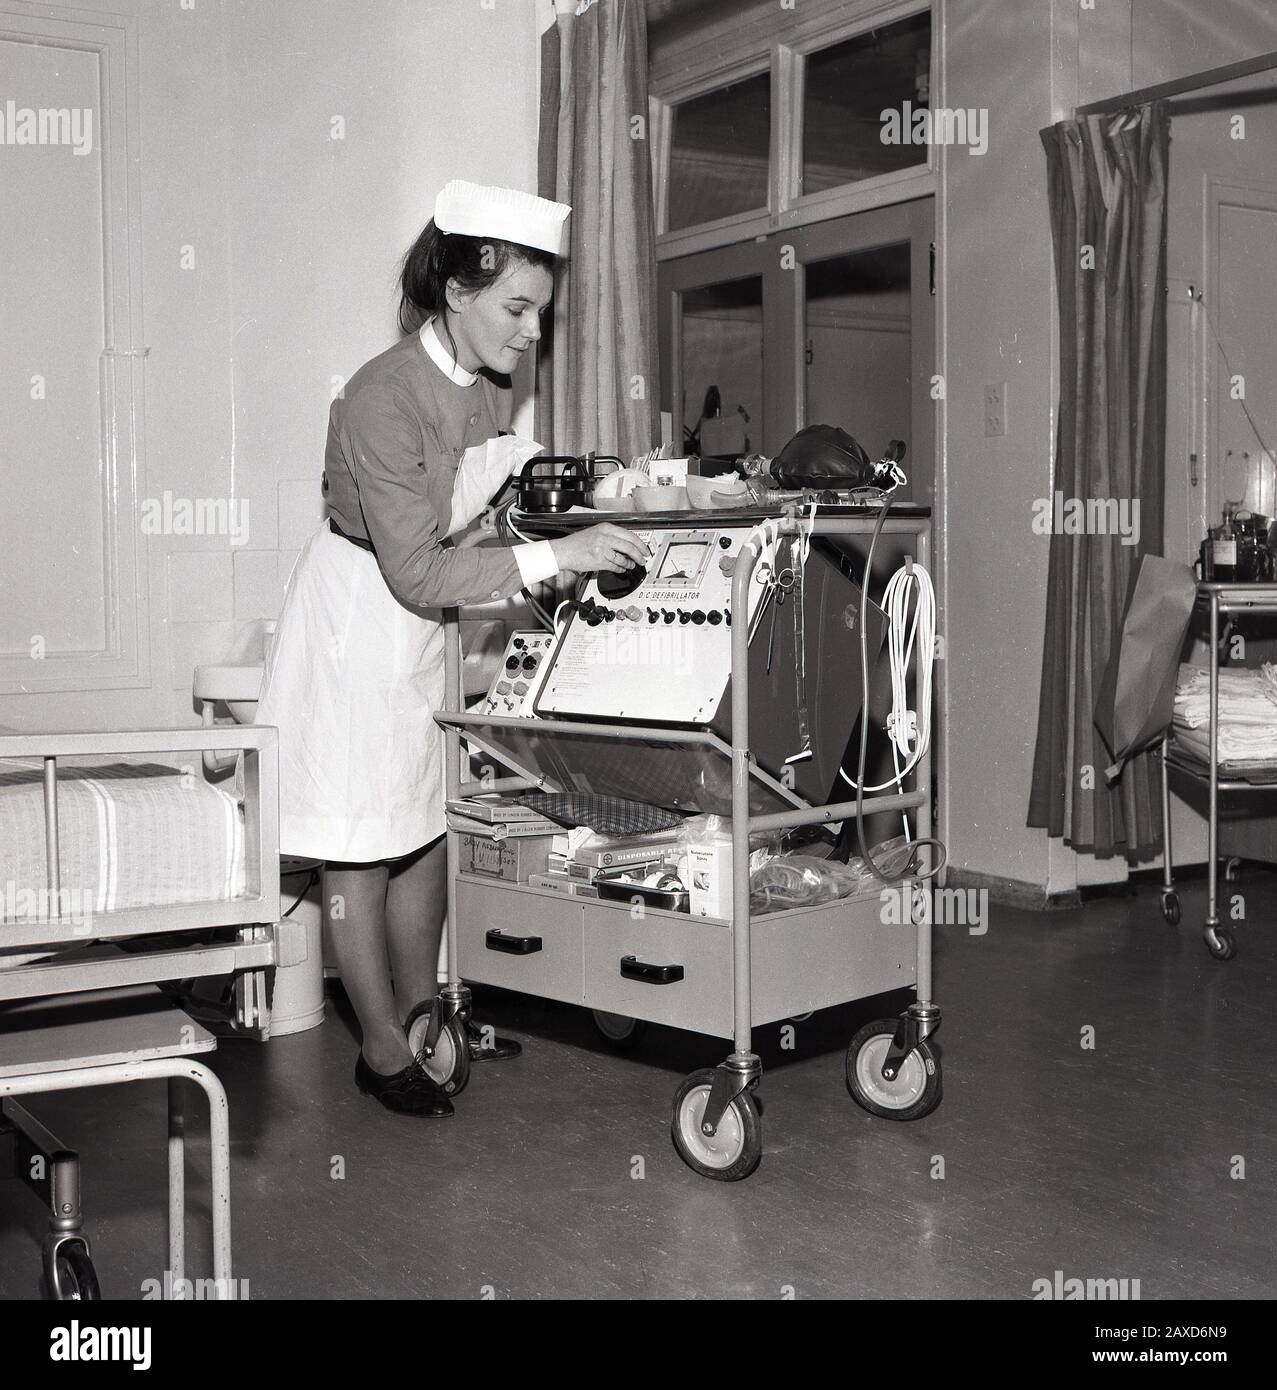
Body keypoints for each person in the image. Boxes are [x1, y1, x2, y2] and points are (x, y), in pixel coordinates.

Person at [256, 180, 648, 1116]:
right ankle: (382, 1045)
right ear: (457, 293)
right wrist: (555, 551)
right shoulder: (378, 397)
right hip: (359, 614)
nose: (529, 335)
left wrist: (561, 505)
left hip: (422, 622)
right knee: (356, 838)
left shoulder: (482, 390)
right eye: (516, 309)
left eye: (540, 314)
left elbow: (467, 538)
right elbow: (417, 570)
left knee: (425, 819)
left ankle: (431, 1008)